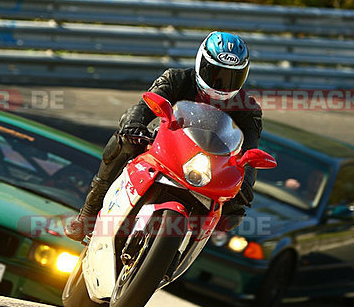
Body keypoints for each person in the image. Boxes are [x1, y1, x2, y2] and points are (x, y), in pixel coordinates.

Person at [65, 31, 263, 242]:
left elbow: (250, 151)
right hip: (168, 148)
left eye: (232, 77)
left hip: (209, 168)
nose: (222, 84)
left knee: (235, 211)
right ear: (201, 63)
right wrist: (134, 124)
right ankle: (88, 215)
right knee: (122, 144)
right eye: (215, 73)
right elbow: (144, 105)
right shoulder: (176, 78)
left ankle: (185, 251)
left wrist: (246, 183)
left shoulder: (248, 109)